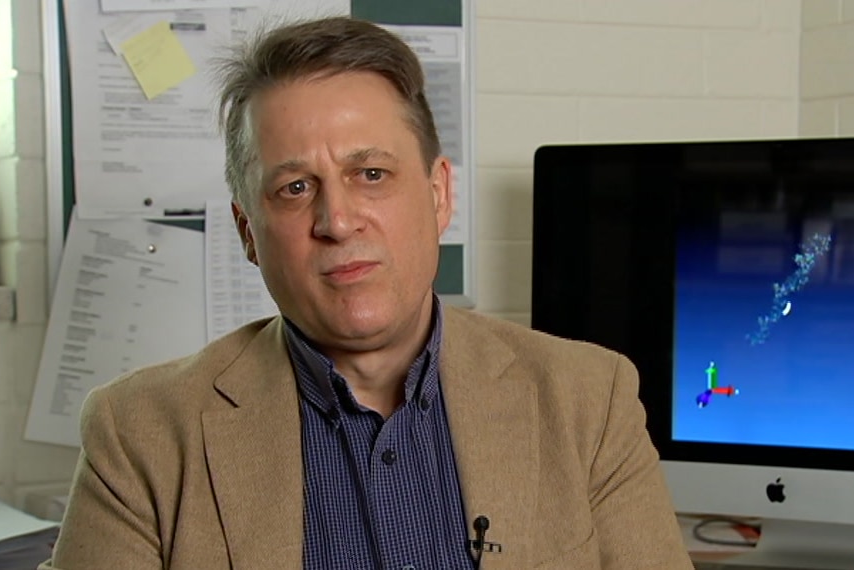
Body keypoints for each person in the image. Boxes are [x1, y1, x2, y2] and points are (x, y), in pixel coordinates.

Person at [40, 16, 693, 570]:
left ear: (438, 194)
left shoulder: (587, 397)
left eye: (371, 174)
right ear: (247, 231)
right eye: (294, 188)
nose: (336, 221)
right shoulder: (141, 434)